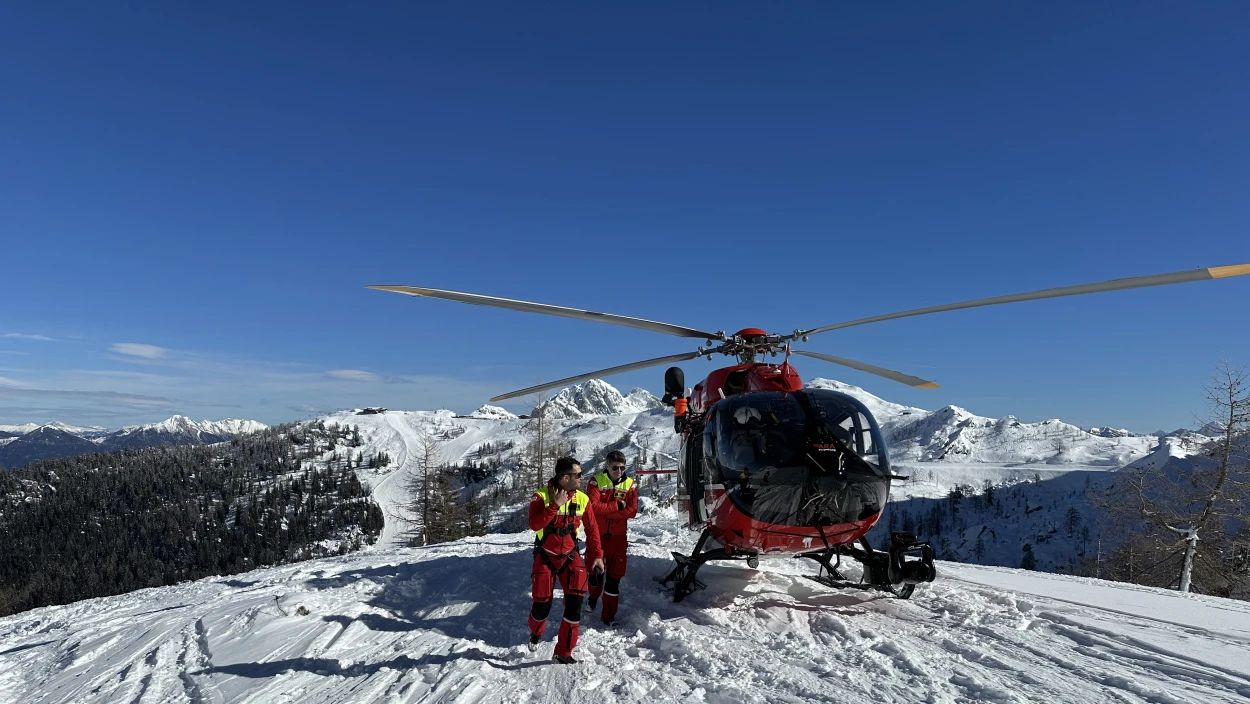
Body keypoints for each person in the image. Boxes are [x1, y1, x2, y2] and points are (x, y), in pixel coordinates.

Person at [527, 456, 604, 664]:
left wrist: (598, 555)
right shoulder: (540, 496)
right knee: (542, 605)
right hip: (545, 555)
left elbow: (592, 529)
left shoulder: (583, 499)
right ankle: (536, 632)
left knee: (575, 602)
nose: (582, 478)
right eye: (578, 475)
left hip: (570, 555)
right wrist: (555, 505)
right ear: (565, 478)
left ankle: (563, 651)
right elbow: (534, 524)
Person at [585, 450, 638, 626]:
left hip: (618, 538)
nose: (619, 471)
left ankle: (608, 617)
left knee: (614, 580)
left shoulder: (630, 484)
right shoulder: (596, 481)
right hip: (597, 537)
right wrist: (617, 506)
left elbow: (632, 510)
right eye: (615, 467)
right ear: (607, 466)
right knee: (596, 576)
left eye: (622, 468)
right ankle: (593, 598)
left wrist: (609, 514)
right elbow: (593, 507)